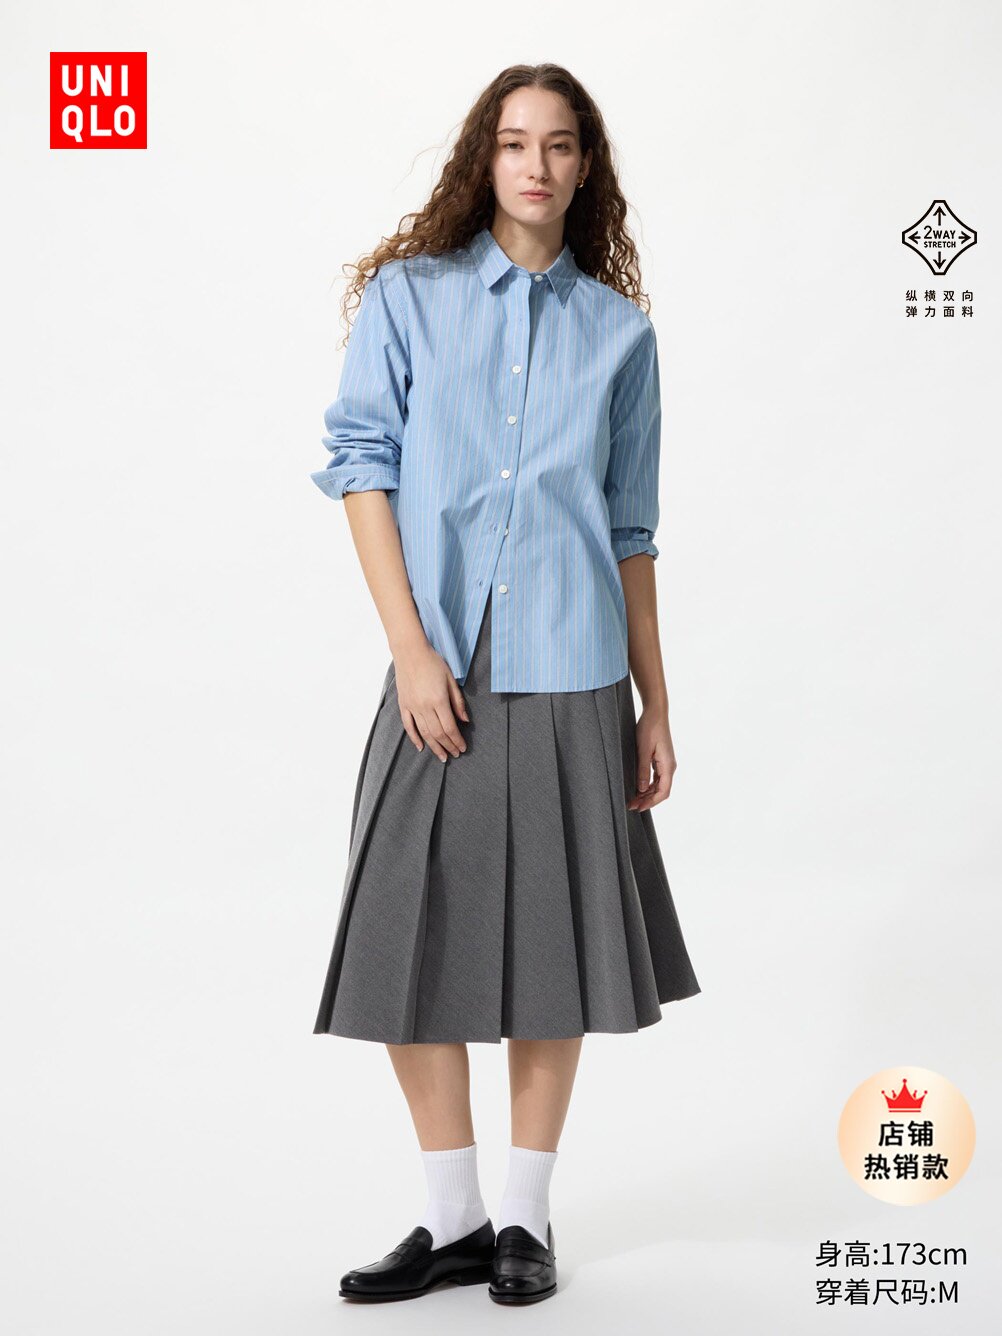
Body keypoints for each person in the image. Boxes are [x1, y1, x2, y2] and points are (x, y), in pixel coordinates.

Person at [308, 62, 701, 1306]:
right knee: (404, 935)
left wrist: (655, 698)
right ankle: (454, 1218)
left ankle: (525, 1216)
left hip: (576, 667)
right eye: (516, 141)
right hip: (441, 669)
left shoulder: (620, 335)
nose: (537, 164)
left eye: (561, 144)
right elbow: (361, 466)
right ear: (485, 158)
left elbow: (630, 530)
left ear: (587, 169)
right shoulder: (410, 299)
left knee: (553, 948)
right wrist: (411, 649)